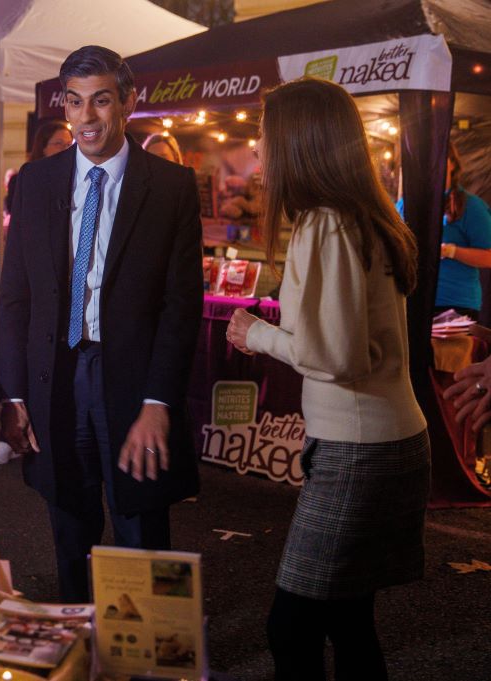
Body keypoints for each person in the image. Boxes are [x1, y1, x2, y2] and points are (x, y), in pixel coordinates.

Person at [225, 78, 429, 680]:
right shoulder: (361, 217)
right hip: (384, 441)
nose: (258, 151)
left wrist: (255, 335)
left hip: (359, 451)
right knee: (347, 619)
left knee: (291, 626)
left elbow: (337, 357)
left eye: (264, 136)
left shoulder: (326, 224)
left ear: (297, 141)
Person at [0, 45, 203, 602]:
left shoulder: (171, 187)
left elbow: (182, 306)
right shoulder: (36, 183)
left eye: (101, 101)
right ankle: (80, 647)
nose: (86, 118)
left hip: (132, 382)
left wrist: (160, 402)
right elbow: (15, 298)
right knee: (69, 526)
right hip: (56, 377)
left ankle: (151, 658)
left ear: (129, 102)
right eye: (74, 101)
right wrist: (12, 394)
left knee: (142, 530)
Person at [431, 143, 491, 319]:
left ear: (452, 164)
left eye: (440, 158)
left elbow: (488, 257)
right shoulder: (406, 204)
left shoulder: (472, 206)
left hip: (456, 304)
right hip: (415, 300)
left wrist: (451, 251)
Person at [5, 119, 74, 214]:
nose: (66, 149)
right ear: (43, 147)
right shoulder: (24, 179)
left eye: (69, 144)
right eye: (58, 143)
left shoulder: (75, 178)